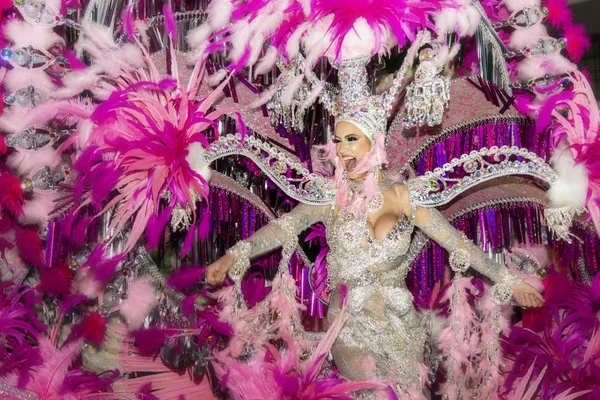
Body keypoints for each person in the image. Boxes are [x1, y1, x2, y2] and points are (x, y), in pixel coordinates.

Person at [205, 57, 545, 396]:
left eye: (351, 139)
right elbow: (284, 227)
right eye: (338, 141)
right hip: (349, 326)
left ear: (374, 141)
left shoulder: (405, 196)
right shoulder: (329, 197)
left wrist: (508, 280)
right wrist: (234, 255)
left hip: (400, 326)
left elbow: (457, 244)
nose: (341, 150)